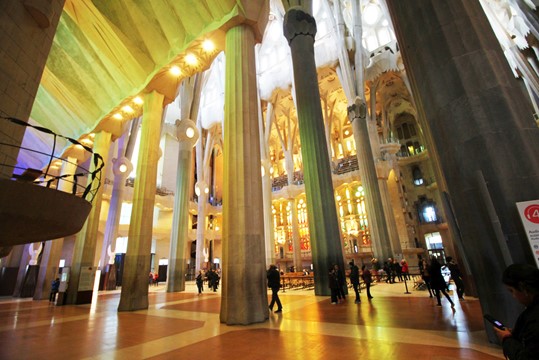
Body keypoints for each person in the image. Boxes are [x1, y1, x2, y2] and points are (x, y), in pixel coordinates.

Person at [492, 263, 539, 359]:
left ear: (522, 288)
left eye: (511, 291)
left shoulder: (535, 318)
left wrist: (507, 339)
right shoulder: (531, 311)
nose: (513, 297)